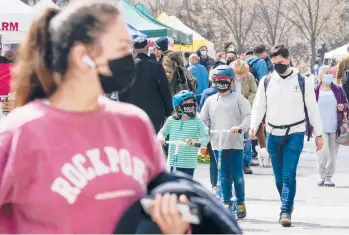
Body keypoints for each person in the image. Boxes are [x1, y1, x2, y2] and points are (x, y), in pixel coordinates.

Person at [0, 2, 189, 233]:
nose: (129, 57)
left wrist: (175, 227)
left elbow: (157, 208)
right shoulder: (20, 133)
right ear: (82, 55)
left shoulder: (134, 123)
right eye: (121, 48)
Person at [250, 44, 323, 227]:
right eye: (274, 63)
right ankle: (286, 203)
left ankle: (285, 211)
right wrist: (253, 126)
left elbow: (312, 108)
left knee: (289, 174)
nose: (277, 66)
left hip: (295, 133)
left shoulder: (301, 80)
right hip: (273, 134)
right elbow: (259, 106)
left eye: (280, 62)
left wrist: (319, 133)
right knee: (278, 177)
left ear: (288, 59)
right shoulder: (267, 81)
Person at [200, 65, 251, 219]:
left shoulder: (239, 99)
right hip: (218, 143)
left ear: (231, 80)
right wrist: (206, 129)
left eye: (224, 80)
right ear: (214, 81)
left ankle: (240, 202)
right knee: (223, 175)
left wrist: (240, 127)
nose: (221, 83)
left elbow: (248, 116)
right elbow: (202, 120)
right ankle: (227, 202)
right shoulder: (210, 101)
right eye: (218, 80)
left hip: (234, 142)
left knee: (237, 175)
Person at [119, 37, 173, 133]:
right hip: (154, 114)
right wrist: (168, 111)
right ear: (147, 48)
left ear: (134, 49)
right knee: (152, 142)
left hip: (133, 113)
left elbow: (122, 93)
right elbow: (165, 90)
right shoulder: (156, 66)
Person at [158, 90, 209, 177]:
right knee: (172, 186)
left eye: (191, 102)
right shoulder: (171, 120)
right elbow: (162, 132)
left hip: (188, 163)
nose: (190, 105)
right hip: (173, 161)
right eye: (186, 103)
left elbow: (205, 137)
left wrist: (197, 143)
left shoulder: (197, 121)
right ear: (177, 107)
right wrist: (161, 138)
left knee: (186, 187)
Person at [315, 66, 347, 187]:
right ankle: (321, 176)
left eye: (330, 73)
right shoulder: (315, 90)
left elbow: (346, 104)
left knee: (333, 155)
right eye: (326, 73)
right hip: (320, 127)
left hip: (335, 127)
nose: (329, 75)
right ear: (321, 75)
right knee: (323, 153)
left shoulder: (338, 89)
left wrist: (342, 106)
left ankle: (328, 177)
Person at [231, 59, 257, 174]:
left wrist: (247, 103)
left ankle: (246, 163)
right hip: (231, 109)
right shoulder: (228, 76)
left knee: (246, 138)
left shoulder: (249, 77)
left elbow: (254, 92)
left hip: (245, 110)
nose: (241, 76)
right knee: (232, 137)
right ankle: (234, 163)